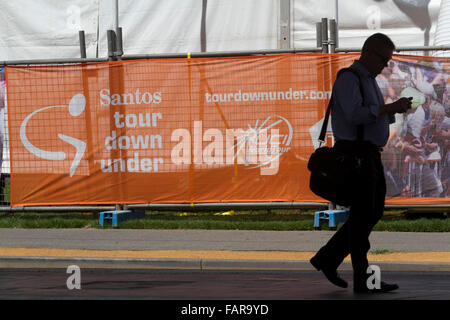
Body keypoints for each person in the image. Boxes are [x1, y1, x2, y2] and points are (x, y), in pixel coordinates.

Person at [310, 33, 412, 293]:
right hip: (356, 155)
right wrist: (389, 109)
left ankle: (330, 259)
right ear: (367, 52)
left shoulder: (368, 80)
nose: (385, 65)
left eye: (388, 60)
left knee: (368, 213)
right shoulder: (349, 78)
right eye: (383, 59)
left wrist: (393, 110)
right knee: (365, 214)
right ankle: (354, 273)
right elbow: (355, 115)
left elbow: (370, 117)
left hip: (367, 154)